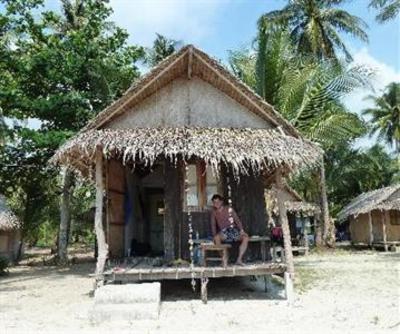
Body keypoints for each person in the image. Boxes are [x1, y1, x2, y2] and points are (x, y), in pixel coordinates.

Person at [210, 194, 249, 265]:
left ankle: (239, 260)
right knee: (216, 238)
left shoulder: (228, 209)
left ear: (221, 202)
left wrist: (241, 230)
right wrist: (214, 235)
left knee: (245, 237)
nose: (216, 204)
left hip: (233, 230)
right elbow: (213, 225)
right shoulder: (214, 213)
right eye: (214, 202)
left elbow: (237, 220)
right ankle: (224, 259)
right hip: (224, 232)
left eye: (218, 202)